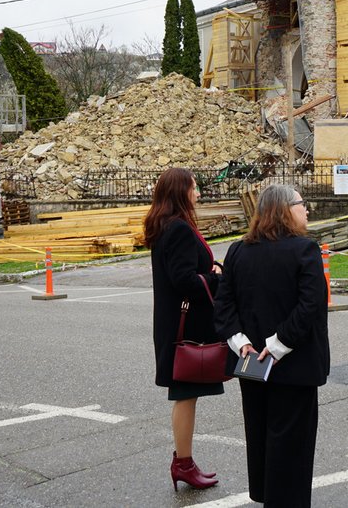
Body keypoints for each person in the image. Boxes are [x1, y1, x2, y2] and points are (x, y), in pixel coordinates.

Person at [213, 184, 330, 507]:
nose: (307, 209)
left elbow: (223, 304)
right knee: (292, 446)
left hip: (251, 362)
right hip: (293, 364)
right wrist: (277, 345)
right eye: (301, 203)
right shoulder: (304, 250)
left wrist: (241, 343)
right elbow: (310, 305)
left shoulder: (238, 250)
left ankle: (268, 497)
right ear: (284, 210)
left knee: (260, 435)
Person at [145, 167, 222, 492]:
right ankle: (183, 464)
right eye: (194, 187)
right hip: (184, 329)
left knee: (187, 396)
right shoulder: (177, 228)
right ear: (181, 192)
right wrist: (216, 278)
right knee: (185, 395)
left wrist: (209, 269)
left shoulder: (167, 225)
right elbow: (184, 280)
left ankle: (185, 462)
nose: (199, 193)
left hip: (174, 324)